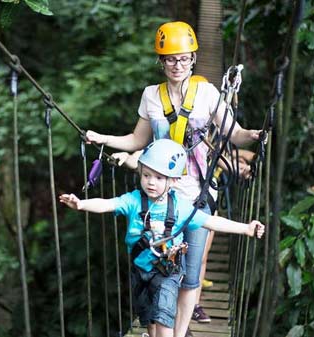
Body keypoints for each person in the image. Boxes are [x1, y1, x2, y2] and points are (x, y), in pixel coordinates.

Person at [84, 21, 263, 334]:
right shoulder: (151, 96)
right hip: (160, 195)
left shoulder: (207, 93)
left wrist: (255, 134)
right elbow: (136, 140)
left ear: (193, 59)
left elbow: (234, 135)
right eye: (170, 59)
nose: (177, 65)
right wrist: (102, 138)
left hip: (197, 196)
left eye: (183, 58)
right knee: (158, 269)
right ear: (161, 61)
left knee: (191, 274)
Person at [60, 140, 264, 337]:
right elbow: (107, 204)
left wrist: (246, 228)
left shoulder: (181, 207)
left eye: (159, 178)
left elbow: (211, 222)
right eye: (146, 175)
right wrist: (81, 204)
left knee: (164, 318)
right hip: (141, 272)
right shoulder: (133, 201)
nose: (151, 182)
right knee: (149, 320)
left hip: (168, 272)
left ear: (173, 181)